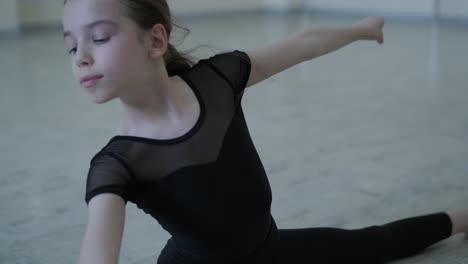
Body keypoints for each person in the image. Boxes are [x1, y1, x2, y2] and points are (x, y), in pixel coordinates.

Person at [62, 0, 468, 263]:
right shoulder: (116, 165)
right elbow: (98, 249)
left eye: (98, 37)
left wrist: (360, 29)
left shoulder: (216, 81)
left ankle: (462, 217)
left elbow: (304, 43)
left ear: (155, 40)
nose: (80, 57)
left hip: (270, 250)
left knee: (374, 243)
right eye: (70, 46)